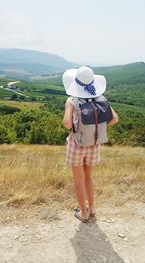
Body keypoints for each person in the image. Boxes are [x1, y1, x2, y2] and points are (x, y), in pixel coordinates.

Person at [62, 66, 118, 223]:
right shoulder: (100, 98)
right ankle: (91, 209)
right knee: (88, 177)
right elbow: (115, 119)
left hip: (77, 144)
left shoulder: (72, 100)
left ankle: (83, 213)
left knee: (78, 179)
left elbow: (67, 123)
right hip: (94, 143)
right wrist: (97, 126)